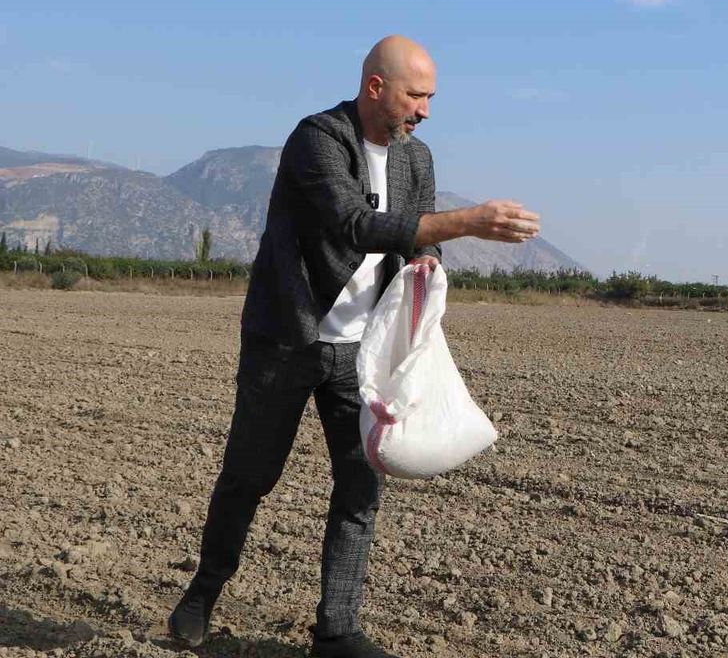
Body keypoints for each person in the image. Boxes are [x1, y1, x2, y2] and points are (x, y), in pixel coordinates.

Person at [168, 35, 540, 658]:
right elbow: (354, 226)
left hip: (362, 354)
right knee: (250, 477)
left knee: (360, 492)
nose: (425, 111)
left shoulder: (416, 159)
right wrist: (468, 222)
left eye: (430, 98)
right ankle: (202, 596)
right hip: (288, 340)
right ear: (375, 87)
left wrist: (428, 260)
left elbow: (416, 232)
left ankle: (336, 632)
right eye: (415, 96)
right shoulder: (317, 139)